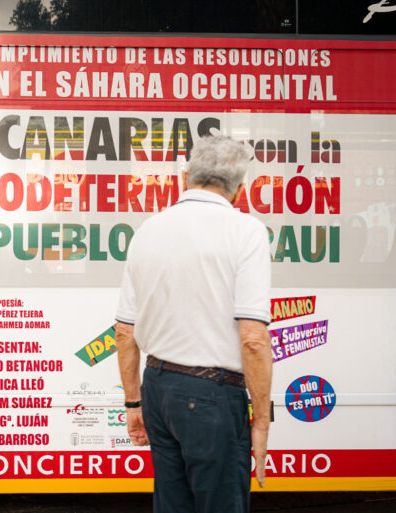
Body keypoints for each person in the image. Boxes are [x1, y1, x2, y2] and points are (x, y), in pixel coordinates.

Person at [115, 135, 273, 512]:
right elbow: (253, 339)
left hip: (158, 389)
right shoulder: (245, 231)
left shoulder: (147, 230)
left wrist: (133, 403)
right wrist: (262, 422)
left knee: (172, 504)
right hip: (212, 397)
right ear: (238, 189)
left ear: (185, 176)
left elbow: (124, 332)